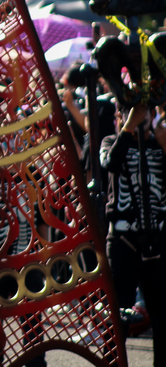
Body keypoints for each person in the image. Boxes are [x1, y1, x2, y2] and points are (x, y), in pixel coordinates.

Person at [101, 103, 166, 365]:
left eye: (144, 114)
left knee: (162, 314)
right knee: (118, 314)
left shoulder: (160, 144)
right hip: (122, 240)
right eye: (131, 114)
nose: (140, 119)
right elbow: (109, 163)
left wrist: (163, 142)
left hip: (158, 240)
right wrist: (127, 129)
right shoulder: (111, 141)